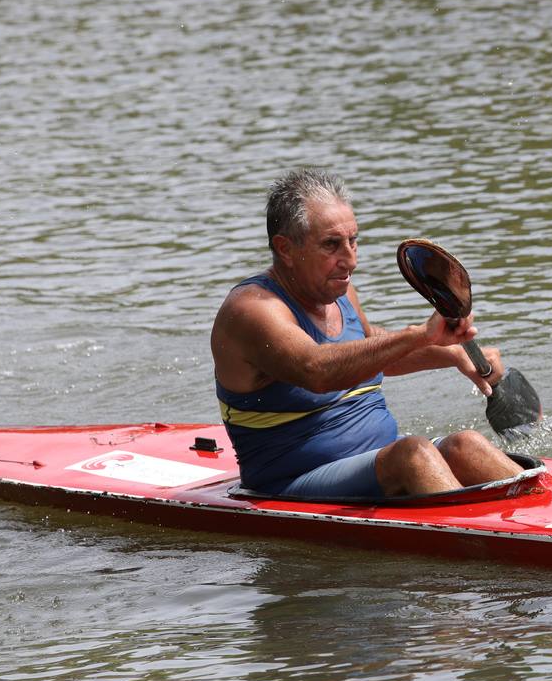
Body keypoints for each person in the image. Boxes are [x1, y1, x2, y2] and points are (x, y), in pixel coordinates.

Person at [211, 169, 522, 498]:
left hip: (379, 461)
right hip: (288, 480)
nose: (350, 260)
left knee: (467, 445)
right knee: (413, 455)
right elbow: (317, 369)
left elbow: (368, 351)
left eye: (353, 241)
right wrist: (419, 334)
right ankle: (477, 542)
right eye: (332, 245)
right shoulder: (252, 310)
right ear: (285, 249)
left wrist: (452, 353)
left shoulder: (340, 291)